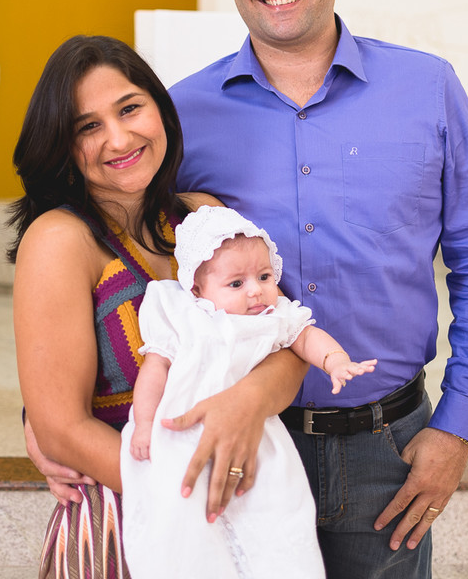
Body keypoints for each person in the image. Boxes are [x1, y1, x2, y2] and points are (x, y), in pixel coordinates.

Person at [166, 0, 468, 578]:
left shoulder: (427, 88)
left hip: (389, 448)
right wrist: (51, 417)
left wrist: (457, 427)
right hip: (248, 442)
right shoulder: (184, 115)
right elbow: (121, 265)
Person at [9, 35, 307, 579]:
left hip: (244, 505)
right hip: (129, 518)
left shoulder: (204, 215)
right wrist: (187, 493)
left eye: (129, 108)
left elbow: (288, 338)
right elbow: (60, 429)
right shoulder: (59, 240)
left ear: (159, 108)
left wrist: (248, 402)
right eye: (88, 126)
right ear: (62, 145)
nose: (118, 137)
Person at [120, 205, 376, 579]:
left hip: (255, 436)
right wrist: (144, 423)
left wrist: (335, 360)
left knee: (273, 513)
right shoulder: (181, 314)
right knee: (181, 523)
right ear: (197, 288)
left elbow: (305, 337)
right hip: (179, 433)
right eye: (236, 284)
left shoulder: (273, 317)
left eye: (264, 276)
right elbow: (155, 370)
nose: (256, 291)